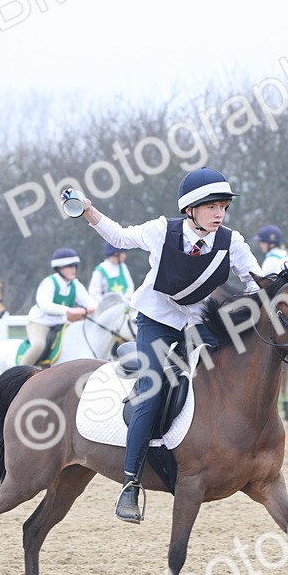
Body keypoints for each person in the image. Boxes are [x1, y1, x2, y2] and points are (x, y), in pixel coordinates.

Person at [72, 166, 261, 523]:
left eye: (223, 207)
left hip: (199, 322)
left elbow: (255, 281)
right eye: (212, 207)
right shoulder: (162, 231)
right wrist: (87, 210)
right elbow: (119, 237)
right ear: (190, 209)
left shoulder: (232, 242)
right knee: (152, 388)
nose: (220, 213)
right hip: (157, 321)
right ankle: (130, 484)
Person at [19, 247, 97, 366]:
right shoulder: (49, 282)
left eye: (75, 266)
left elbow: (89, 301)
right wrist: (70, 310)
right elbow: (45, 305)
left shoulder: (75, 284)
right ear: (60, 268)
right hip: (41, 323)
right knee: (39, 345)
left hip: (62, 324)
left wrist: (91, 308)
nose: (74, 269)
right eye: (70, 266)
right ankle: (19, 374)